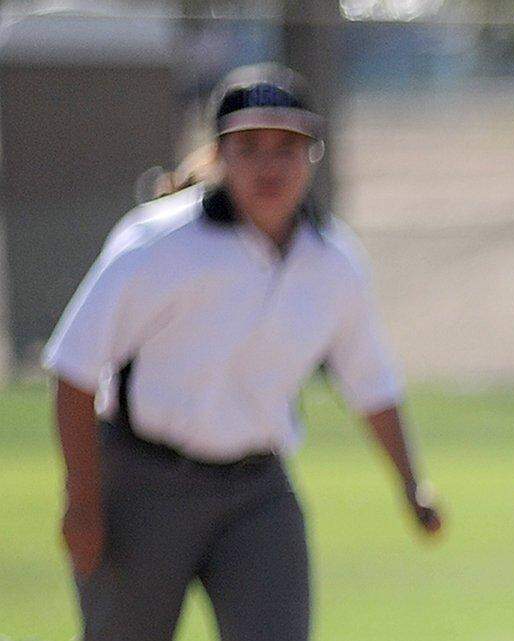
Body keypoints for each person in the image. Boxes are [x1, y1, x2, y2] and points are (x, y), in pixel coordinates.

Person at [42, 62, 442, 641]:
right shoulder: (157, 243)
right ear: (220, 156)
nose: (269, 165)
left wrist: (412, 485)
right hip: (143, 480)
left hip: (257, 494)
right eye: (249, 146)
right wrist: (82, 503)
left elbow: (371, 383)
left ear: (313, 156)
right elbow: (74, 369)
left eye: (287, 147)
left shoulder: (333, 263)